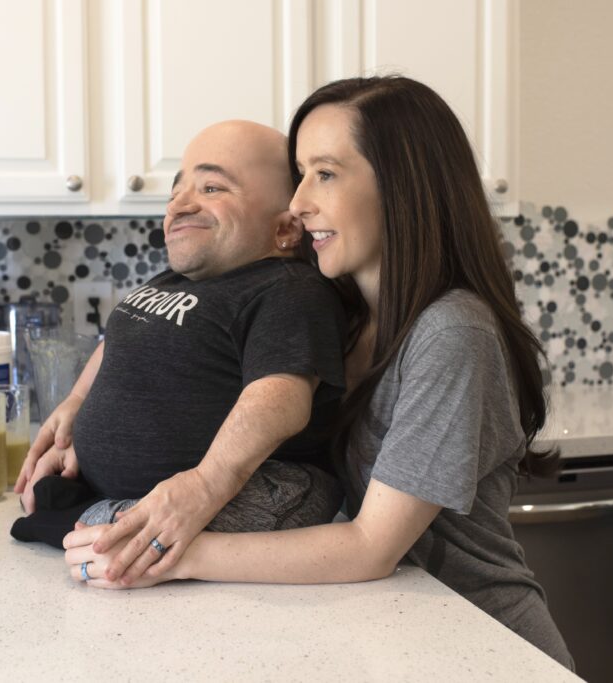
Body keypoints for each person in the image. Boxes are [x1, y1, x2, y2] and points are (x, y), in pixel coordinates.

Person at [64, 76, 574, 670]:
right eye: (300, 174)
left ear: (402, 188)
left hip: (482, 645)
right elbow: (157, 329)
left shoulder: (451, 333)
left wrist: (167, 551)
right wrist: (77, 410)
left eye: (325, 174)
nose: (299, 201)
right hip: (390, 634)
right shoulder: (342, 313)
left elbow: (370, 547)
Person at [13, 120, 348, 555]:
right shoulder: (171, 281)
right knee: (76, 507)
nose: (180, 205)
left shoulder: (285, 289)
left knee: (283, 499)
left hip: (254, 484)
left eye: (211, 188)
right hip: (141, 488)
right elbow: (118, 339)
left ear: (284, 229)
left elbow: (280, 399)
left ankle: (108, 517)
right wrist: (75, 405)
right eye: (175, 192)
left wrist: (204, 482)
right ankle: (105, 512)